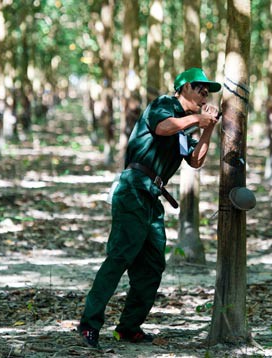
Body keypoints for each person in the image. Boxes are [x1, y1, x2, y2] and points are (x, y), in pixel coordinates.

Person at [77, 67, 221, 348]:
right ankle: (88, 324)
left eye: (208, 89)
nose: (205, 92)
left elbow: (195, 160)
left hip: (153, 198)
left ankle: (129, 328)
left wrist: (209, 128)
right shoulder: (164, 105)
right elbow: (162, 127)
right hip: (133, 189)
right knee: (119, 257)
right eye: (199, 86)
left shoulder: (188, 123)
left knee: (153, 265)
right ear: (182, 87)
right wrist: (197, 119)